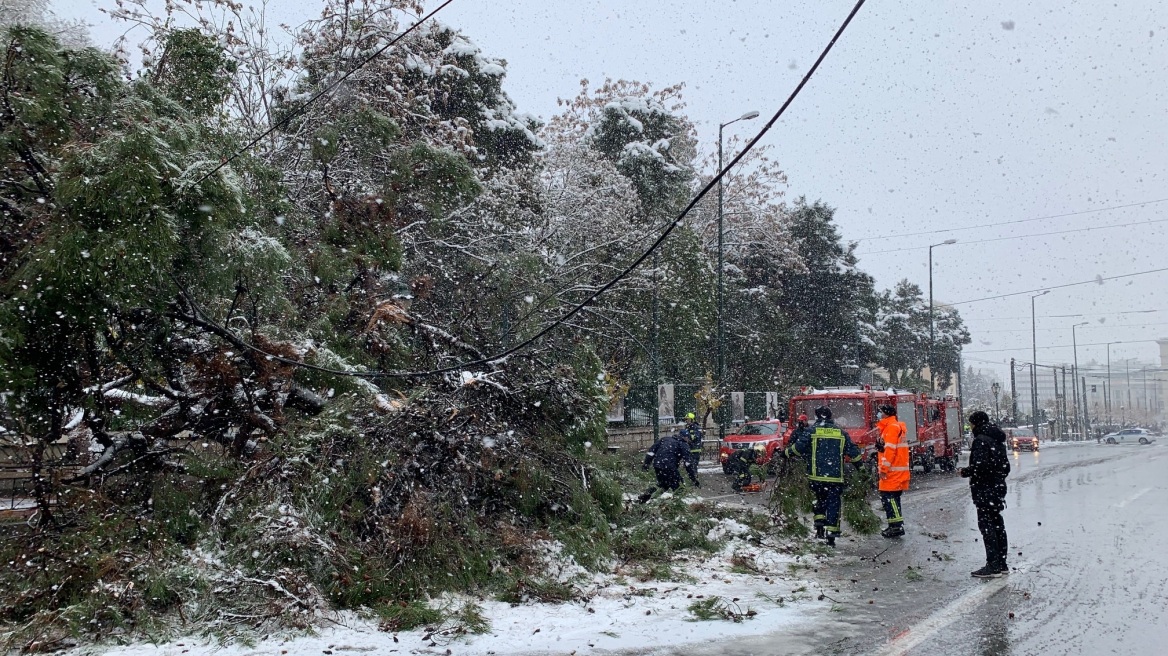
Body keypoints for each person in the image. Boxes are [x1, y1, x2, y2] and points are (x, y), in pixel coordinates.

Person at [784, 406, 862, 546]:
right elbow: (854, 453)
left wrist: (785, 453)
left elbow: (798, 448)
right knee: (833, 504)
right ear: (830, 417)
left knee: (819, 501)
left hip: (816, 476)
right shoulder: (841, 433)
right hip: (835, 478)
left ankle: (819, 527)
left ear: (818, 416)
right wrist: (861, 469)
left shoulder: (811, 431)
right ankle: (831, 535)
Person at [959, 411, 1012, 578]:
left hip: (984, 489)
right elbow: (1005, 467)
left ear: (976, 423)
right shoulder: (997, 439)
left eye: (971, 423)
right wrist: (997, 479)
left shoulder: (981, 441)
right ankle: (1002, 563)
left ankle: (993, 565)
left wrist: (966, 471)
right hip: (997, 488)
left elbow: (981, 466)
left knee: (987, 526)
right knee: (998, 525)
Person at [875, 404, 910, 538]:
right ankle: (894, 525)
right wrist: (881, 449)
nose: (878, 414)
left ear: (886, 414)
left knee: (889, 499)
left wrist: (884, 468)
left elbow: (890, 450)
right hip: (896, 470)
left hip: (892, 472)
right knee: (891, 499)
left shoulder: (891, 428)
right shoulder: (893, 427)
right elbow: (890, 449)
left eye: (880, 412)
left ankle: (896, 526)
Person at [638, 428, 697, 502]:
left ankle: (645, 497)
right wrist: (693, 479)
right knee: (679, 487)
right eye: (688, 439)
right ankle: (678, 506)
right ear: (685, 437)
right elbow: (688, 464)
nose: (688, 441)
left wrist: (646, 465)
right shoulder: (683, 444)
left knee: (662, 485)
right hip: (669, 467)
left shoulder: (665, 439)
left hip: (657, 465)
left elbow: (651, 452)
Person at [683, 412, 705, 483]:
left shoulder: (696, 427)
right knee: (689, 465)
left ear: (692, 420)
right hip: (690, 449)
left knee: (693, 465)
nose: (687, 421)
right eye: (686, 419)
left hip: (695, 449)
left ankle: (695, 480)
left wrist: (688, 437)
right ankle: (691, 479)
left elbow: (696, 436)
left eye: (688, 419)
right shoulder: (688, 427)